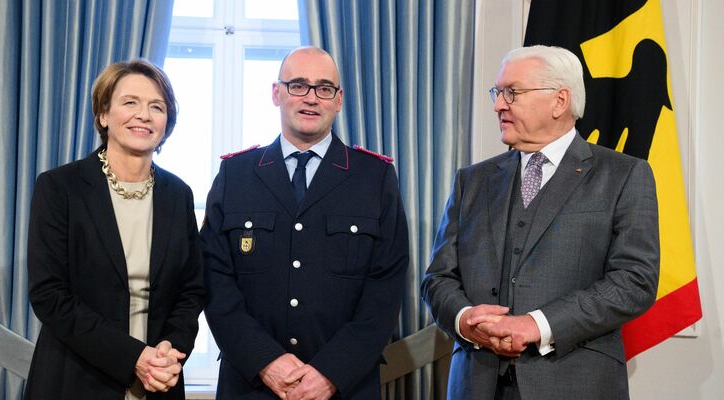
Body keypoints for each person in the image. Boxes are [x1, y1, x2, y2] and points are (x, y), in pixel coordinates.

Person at [421, 45, 660, 400]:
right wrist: (465, 319)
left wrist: (538, 325)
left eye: (512, 93)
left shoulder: (623, 176)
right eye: (498, 92)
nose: (498, 104)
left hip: (576, 384)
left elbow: (635, 281)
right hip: (476, 384)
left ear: (560, 100)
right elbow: (437, 278)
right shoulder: (471, 181)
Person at [200, 46, 409, 399]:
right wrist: (266, 362)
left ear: (339, 100)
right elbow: (214, 282)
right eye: (298, 85)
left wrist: (329, 373)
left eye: (324, 88)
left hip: (344, 387)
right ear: (276, 93)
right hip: (251, 383)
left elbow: (384, 291)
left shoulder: (374, 177)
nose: (311, 98)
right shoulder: (236, 174)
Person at [25, 59, 205, 400]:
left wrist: (170, 348)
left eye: (157, 106)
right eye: (130, 102)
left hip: (158, 381)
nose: (144, 115)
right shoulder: (60, 187)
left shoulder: (179, 194)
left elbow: (191, 291)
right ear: (104, 115)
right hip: (76, 379)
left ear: (167, 123)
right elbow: (50, 295)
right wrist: (133, 357)